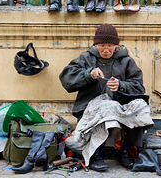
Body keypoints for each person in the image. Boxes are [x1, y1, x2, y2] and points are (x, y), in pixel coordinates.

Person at [59, 24, 153, 171]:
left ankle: (125, 151)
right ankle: (95, 154)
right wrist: (88, 74)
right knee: (106, 107)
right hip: (89, 106)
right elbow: (66, 79)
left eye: (110, 45)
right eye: (102, 45)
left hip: (119, 106)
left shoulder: (126, 61)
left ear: (117, 45)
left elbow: (139, 87)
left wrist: (121, 85)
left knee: (141, 106)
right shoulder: (86, 58)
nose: (106, 49)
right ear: (95, 44)